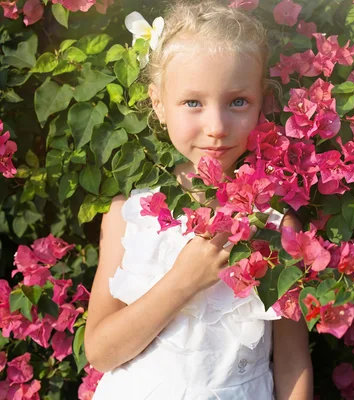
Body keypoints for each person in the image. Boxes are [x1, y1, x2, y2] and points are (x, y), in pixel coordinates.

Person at [84, 1, 313, 398]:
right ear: (158, 103)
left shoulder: (277, 229)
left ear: (261, 102)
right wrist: (183, 281)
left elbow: (293, 363)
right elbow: (101, 353)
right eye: (193, 102)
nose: (217, 127)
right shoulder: (128, 216)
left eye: (237, 102)